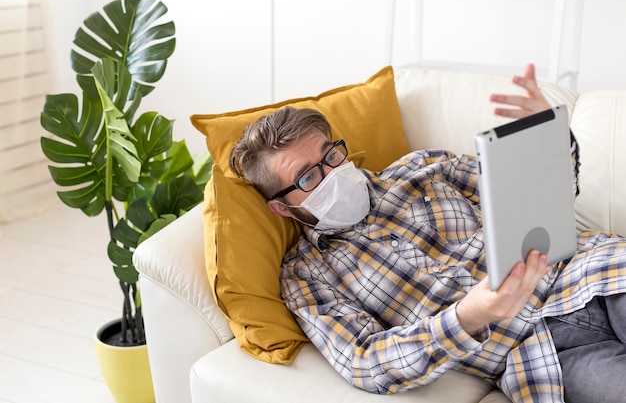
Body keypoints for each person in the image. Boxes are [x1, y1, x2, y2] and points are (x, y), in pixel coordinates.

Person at [228, 64, 626, 403]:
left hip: (593, 272)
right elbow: (364, 360)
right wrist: (467, 316)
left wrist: (547, 140)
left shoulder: (424, 167)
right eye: (309, 176)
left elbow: (531, 193)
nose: (332, 173)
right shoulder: (307, 276)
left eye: (331, 155)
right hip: (541, 352)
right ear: (282, 206)